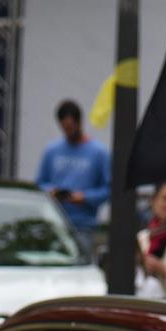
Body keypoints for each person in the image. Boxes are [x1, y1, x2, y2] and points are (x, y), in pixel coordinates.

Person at [34, 100, 111, 238]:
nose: (68, 132)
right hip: (55, 223)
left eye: (71, 127)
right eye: (64, 128)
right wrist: (51, 192)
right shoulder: (52, 150)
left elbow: (109, 189)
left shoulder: (99, 152)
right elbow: (39, 183)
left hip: (84, 225)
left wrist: (85, 197)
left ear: (79, 123)